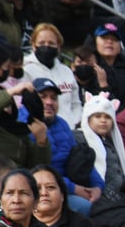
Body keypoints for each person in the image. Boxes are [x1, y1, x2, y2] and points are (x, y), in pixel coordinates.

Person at [32, 77, 103, 216]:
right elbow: (32, 170)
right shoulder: (24, 126)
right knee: (84, 207)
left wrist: (97, 187)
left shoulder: (62, 124)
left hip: (70, 187)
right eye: (43, 97)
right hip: (43, 191)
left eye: (53, 98)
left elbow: (80, 158)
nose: (49, 102)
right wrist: (74, 188)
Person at [76, 92, 125, 227]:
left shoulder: (111, 144)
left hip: (117, 202)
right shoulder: (78, 139)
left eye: (108, 117)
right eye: (97, 116)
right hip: (94, 202)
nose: (103, 121)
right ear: (87, 118)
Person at [23, 23, 82, 128]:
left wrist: (72, 122)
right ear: (33, 45)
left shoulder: (66, 71)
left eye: (51, 43)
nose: (46, 46)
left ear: (58, 46)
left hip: (69, 130)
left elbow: (76, 104)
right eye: (41, 43)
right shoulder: (25, 70)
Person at [0, 78, 51, 168]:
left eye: (8, 104)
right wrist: (12, 92)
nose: (5, 109)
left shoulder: (20, 130)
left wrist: (41, 142)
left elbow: (37, 168)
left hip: (19, 177)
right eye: (0, 103)